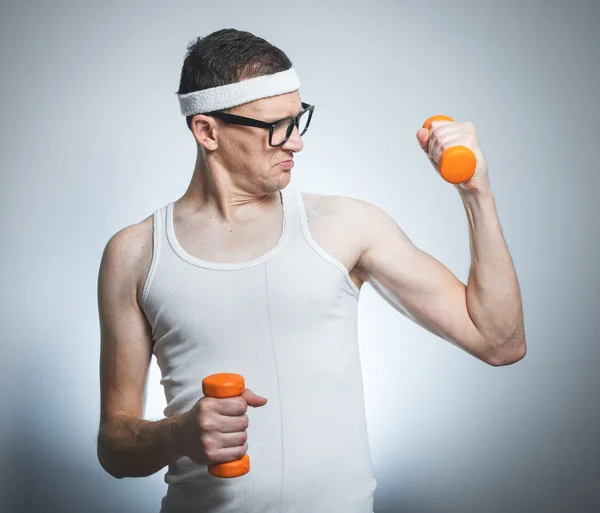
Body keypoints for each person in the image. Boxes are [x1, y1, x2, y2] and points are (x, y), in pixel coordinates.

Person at [96, 28, 526, 513]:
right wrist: (179, 434)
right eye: (276, 127)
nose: (296, 142)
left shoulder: (345, 226)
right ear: (207, 132)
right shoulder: (136, 254)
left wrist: (476, 194)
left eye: (298, 120)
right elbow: (114, 447)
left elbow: (499, 342)